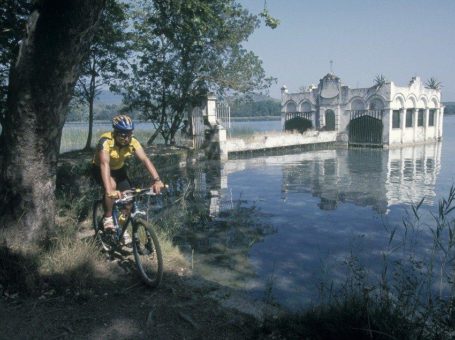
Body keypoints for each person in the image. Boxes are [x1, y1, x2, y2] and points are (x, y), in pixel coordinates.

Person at [92, 114, 164, 241]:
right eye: (123, 135)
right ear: (115, 132)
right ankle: (108, 217)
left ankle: (120, 228)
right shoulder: (105, 141)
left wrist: (157, 180)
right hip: (100, 169)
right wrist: (109, 190)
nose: (127, 138)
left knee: (129, 201)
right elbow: (104, 164)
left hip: (119, 170)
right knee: (112, 187)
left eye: (130, 134)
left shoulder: (133, 142)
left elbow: (145, 160)